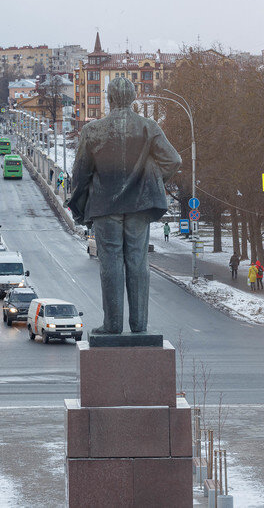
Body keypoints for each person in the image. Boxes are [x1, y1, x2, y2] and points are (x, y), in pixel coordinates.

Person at [68, 77, 181, 335]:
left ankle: (113, 325)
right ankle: (139, 326)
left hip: (104, 207)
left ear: (108, 99)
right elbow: (173, 160)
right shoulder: (148, 127)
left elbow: (81, 175)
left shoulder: (93, 130)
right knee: (138, 262)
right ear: (133, 98)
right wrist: (150, 179)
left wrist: (80, 204)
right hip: (139, 206)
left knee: (110, 263)